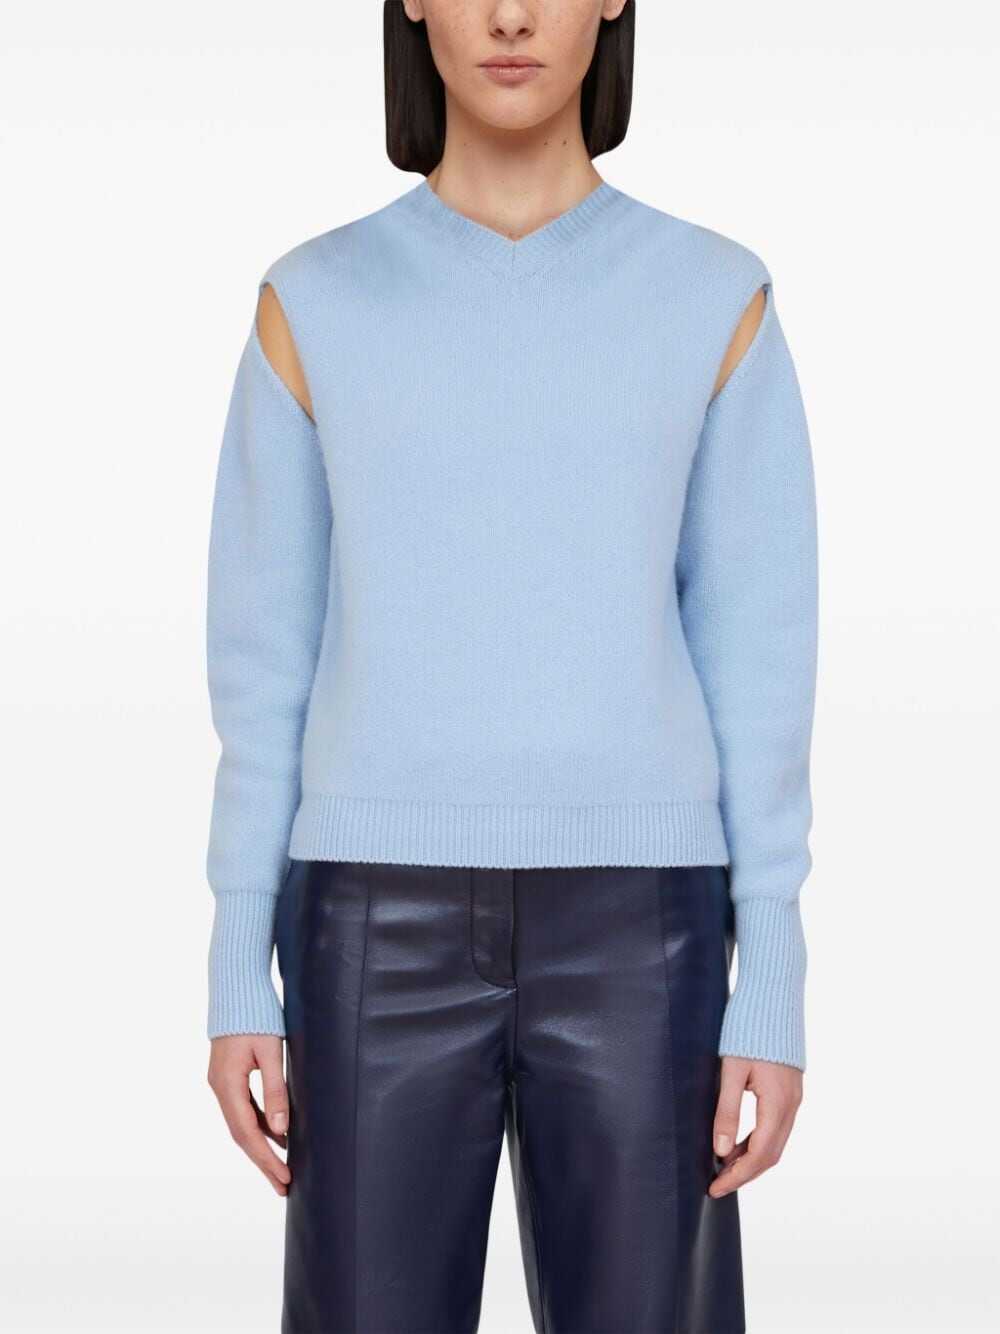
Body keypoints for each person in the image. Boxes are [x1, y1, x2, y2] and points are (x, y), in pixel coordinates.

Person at [204, 2, 818, 1330]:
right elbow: (263, 668)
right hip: (369, 920)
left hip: (644, 924)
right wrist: (235, 958)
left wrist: (770, 976)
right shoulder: (315, 301)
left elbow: (760, 663)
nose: (512, 14)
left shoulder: (714, 297)